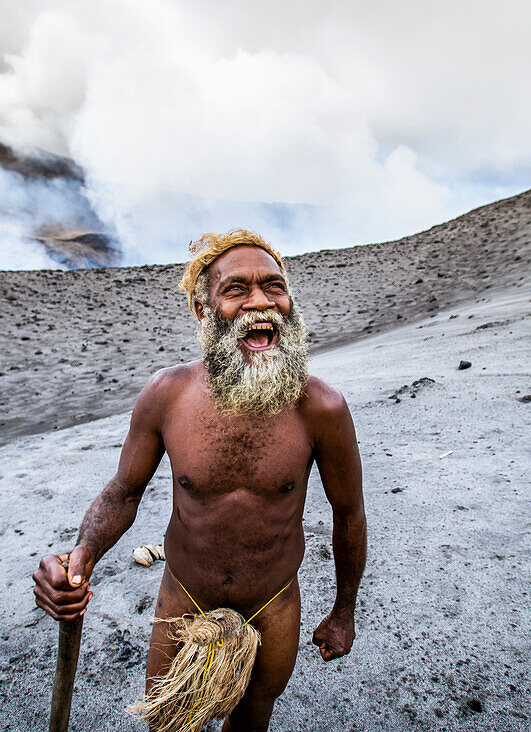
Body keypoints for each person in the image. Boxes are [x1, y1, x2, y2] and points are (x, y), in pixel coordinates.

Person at [32, 229, 367, 731]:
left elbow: (349, 515)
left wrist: (344, 611)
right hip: (185, 592)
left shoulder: (322, 408)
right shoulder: (167, 395)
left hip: (272, 601)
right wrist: (82, 555)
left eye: (274, 287)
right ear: (201, 309)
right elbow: (123, 493)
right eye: (236, 289)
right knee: (169, 722)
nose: (261, 303)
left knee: (253, 719)